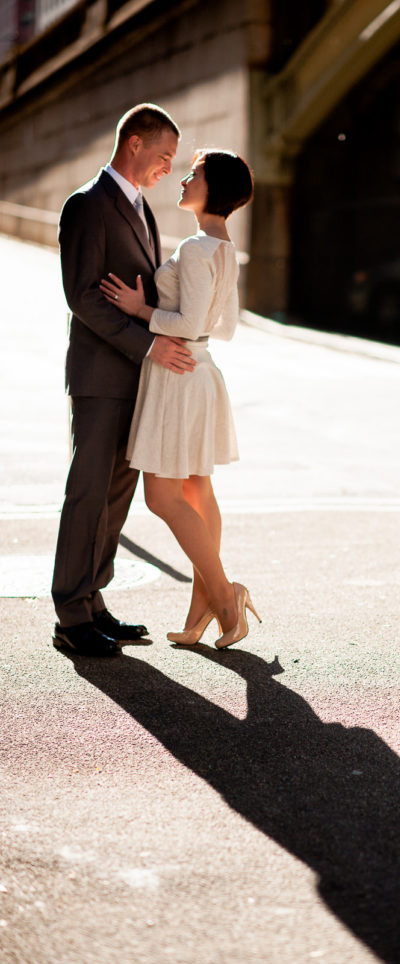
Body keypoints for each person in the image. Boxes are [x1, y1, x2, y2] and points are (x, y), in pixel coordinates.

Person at [99, 148, 260, 650]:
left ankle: (224, 595)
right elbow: (226, 328)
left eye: (197, 174)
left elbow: (188, 323)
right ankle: (201, 610)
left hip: (177, 370)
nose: (186, 179)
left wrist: (140, 307)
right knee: (197, 490)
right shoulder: (223, 247)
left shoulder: (195, 248)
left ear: (214, 190)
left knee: (161, 496)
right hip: (202, 369)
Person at [52, 103, 195, 659]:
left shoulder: (141, 207)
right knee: (88, 493)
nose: (167, 168)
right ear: (133, 143)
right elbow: (82, 295)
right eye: (163, 156)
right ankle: (70, 615)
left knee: (115, 495)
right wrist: (150, 343)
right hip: (100, 378)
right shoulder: (87, 204)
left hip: (138, 379)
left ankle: (94, 602)